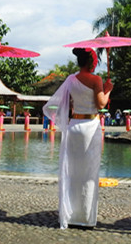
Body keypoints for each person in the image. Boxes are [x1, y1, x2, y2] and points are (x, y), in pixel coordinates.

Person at [43, 48, 112, 229]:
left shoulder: (71, 80)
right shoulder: (96, 80)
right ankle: (85, 217)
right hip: (90, 126)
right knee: (89, 172)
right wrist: (108, 90)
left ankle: (71, 213)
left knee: (73, 171)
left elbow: (65, 104)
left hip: (74, 126)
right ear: (91, 62)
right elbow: (101, 103)